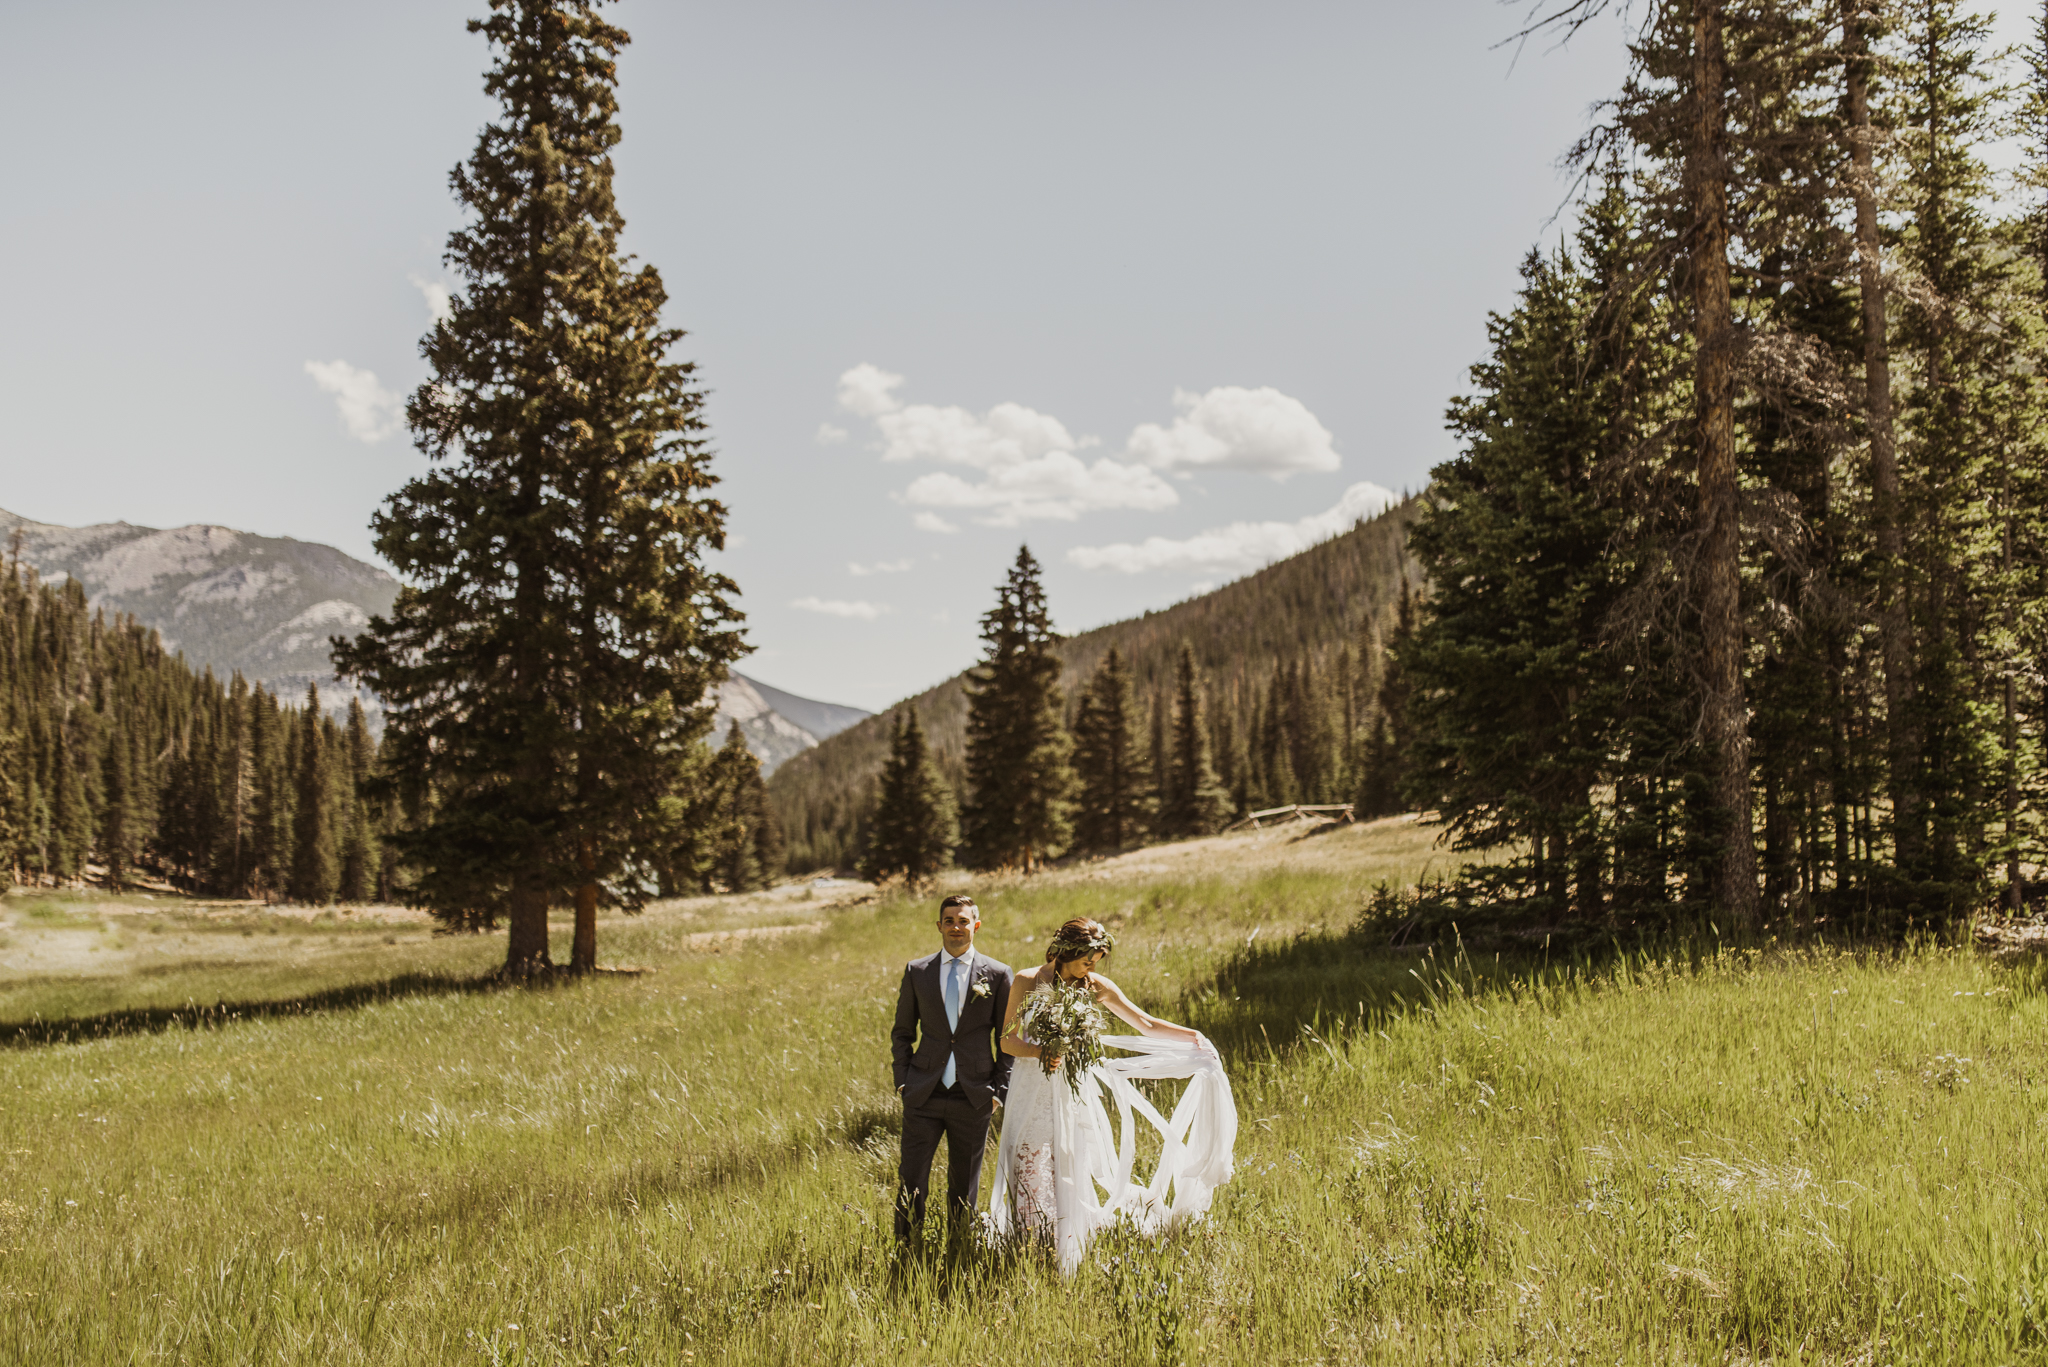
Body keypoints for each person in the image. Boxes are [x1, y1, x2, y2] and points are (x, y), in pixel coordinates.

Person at [989, 916, 1237, 1272]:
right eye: (1086, 960)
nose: (1091, 968)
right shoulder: (1027, 981)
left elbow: (1145, 1023)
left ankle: (1067, 1242)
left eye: (1096, 961)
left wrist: (1193, 1035)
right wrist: (1041, 1052)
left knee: (1070, 1164)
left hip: (1072, 1089)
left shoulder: (1095, 986)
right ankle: (1030, 1243)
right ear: (1064, 951)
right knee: (1028, 1162)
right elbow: (1007, 1040)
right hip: (1032, 1087)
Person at [891, 893, 1014, 1246]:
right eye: (949, 921)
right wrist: (903, 1082)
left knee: (964, 1186)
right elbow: (902, 1032)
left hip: (974, 1096)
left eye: (963, 921)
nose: (956, 928)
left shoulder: (998, 973)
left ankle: (959, 1249)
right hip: (923, 1092)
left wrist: (997, 1092)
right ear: (939, 926)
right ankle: (906, 1247)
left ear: (975, 925)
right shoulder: (918, 972)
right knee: (912, 1180)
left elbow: (1006, 1039)